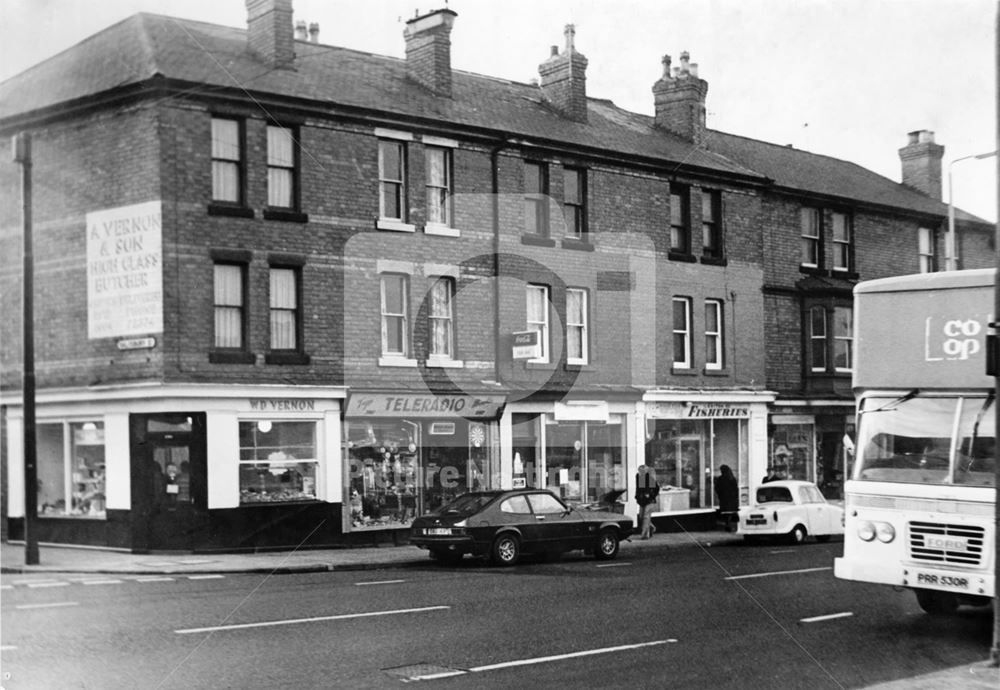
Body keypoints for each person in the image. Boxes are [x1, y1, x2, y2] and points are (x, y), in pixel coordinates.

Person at [635, 464, 660, 539]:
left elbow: (656, 488)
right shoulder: (638, 477)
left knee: (646, 517)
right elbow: (638, 489)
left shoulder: (649, 478)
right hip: (642, 500)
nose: (640, 472)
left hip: (649, 501)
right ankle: (651, 528)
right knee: (641, 517)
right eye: (639, 470)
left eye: (642, 471)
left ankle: (645, 535)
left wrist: (651, 496)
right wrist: (637, 497)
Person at [714, 464, 739, 531]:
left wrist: (720, 495)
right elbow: (736, 489)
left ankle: (727, 525)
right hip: (731, 499)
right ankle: (730, 526)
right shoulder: (732, 478)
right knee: (730, 513)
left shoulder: (720, 479)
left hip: (724, 499)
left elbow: (717, 488)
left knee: (725, 514)